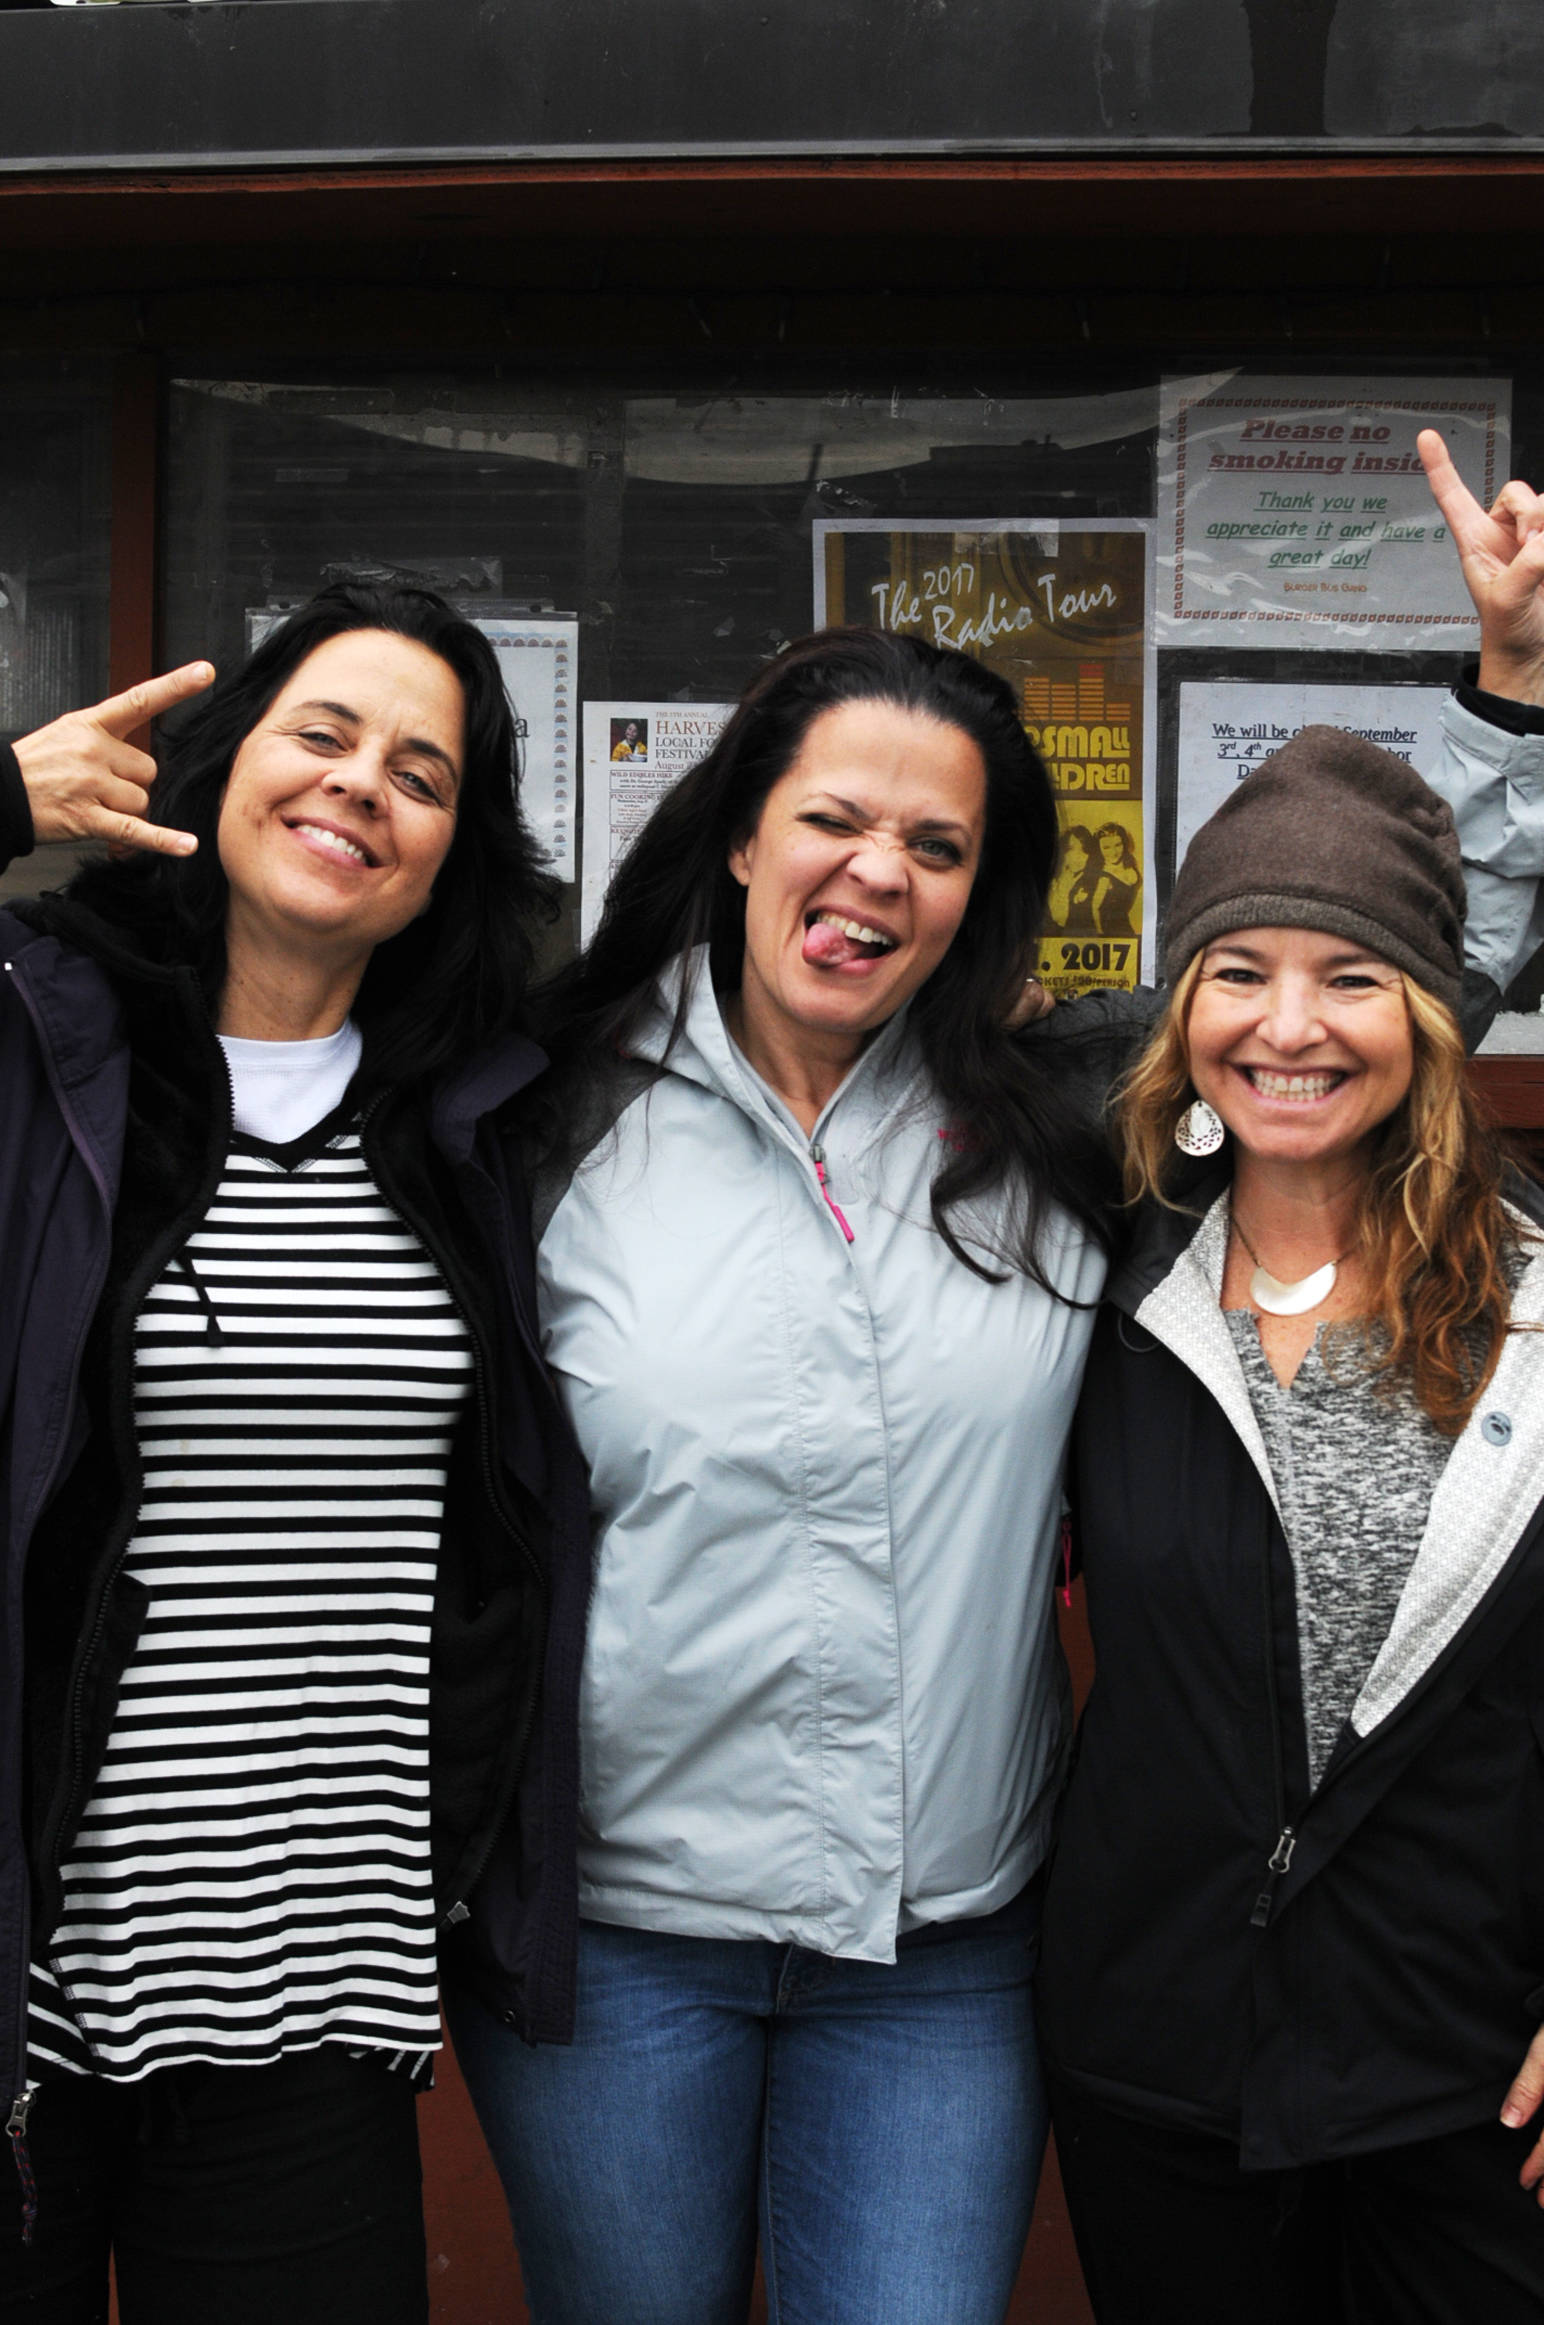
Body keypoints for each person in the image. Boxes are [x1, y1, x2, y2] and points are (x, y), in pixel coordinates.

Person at [444, 626, 1123, 2325]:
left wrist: (1500, 715)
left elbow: (1346, 1012)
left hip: (943, 1959)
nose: (873, 872)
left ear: (979, 895)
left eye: (937, 846)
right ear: (741, 831)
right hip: (614, 1948)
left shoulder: (1063, 1132)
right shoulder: (537, 1119)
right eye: (833, 818)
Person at [0, 587, 590, 2323]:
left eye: (422, 772)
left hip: (308, 2006)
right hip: (24, 1983)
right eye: (321, 735)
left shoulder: (484, 1122)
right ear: (222, 759)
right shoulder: (36, 1041)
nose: (360, 789)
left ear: (448, 851)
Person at [1036, 437, 1544, 2324]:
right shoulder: (1108, 1253)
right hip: (1156, 2054)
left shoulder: (1524, 1297)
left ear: (1421, 1021)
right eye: (1233, 971)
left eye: (1346, 981)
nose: (1284, 1024)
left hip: (1454, 2069)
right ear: (1179, 1012)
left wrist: (1508, 697)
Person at [1047, 819, 1098, 933]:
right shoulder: (1055, 878)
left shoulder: (1090, 879)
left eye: (1083, 851)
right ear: (1063, 851)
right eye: (1071, 849)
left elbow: (1065, 922)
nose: (1077, 857)